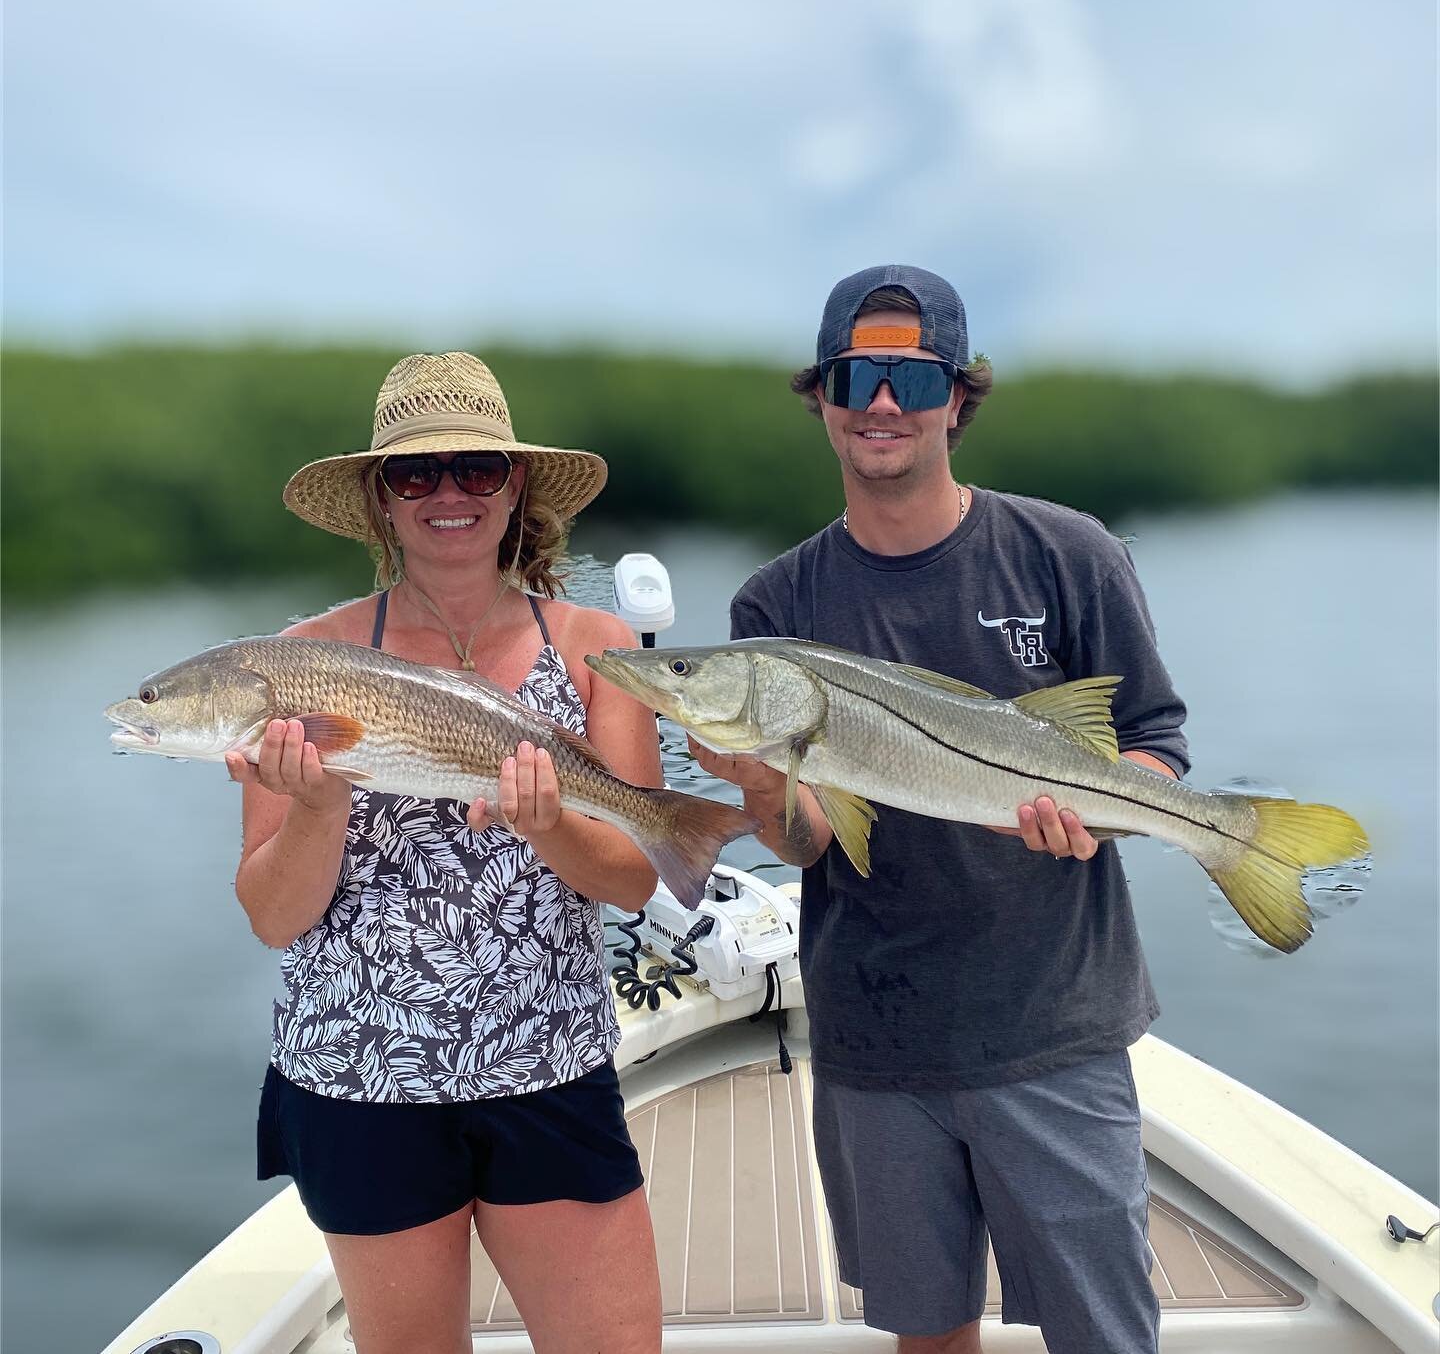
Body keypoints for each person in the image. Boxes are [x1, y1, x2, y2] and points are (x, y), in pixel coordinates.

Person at [689, 266, 1188, 1354]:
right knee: (926, 1335)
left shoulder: (1070, 555)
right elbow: (808, 843)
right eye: (855, 376)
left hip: (1056, 1024)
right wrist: (763, 780)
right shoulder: (775, 605)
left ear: (958, 398)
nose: (882, 403)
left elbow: (1155, 743)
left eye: (912, 379)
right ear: (822, 397)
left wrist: (1111, 813)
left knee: (1107, 1334)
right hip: (876, 1037)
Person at [229, 351, 663, 1354]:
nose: (449, 494)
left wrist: (549, 821)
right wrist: (319, 802)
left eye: (476, 467)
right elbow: (273, 916)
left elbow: (637, 876)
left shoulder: (597, 646)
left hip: (547, 1059)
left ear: (516, 487)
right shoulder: (297, 663)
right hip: (360, 1074)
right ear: (381, 500)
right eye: (415, 474)